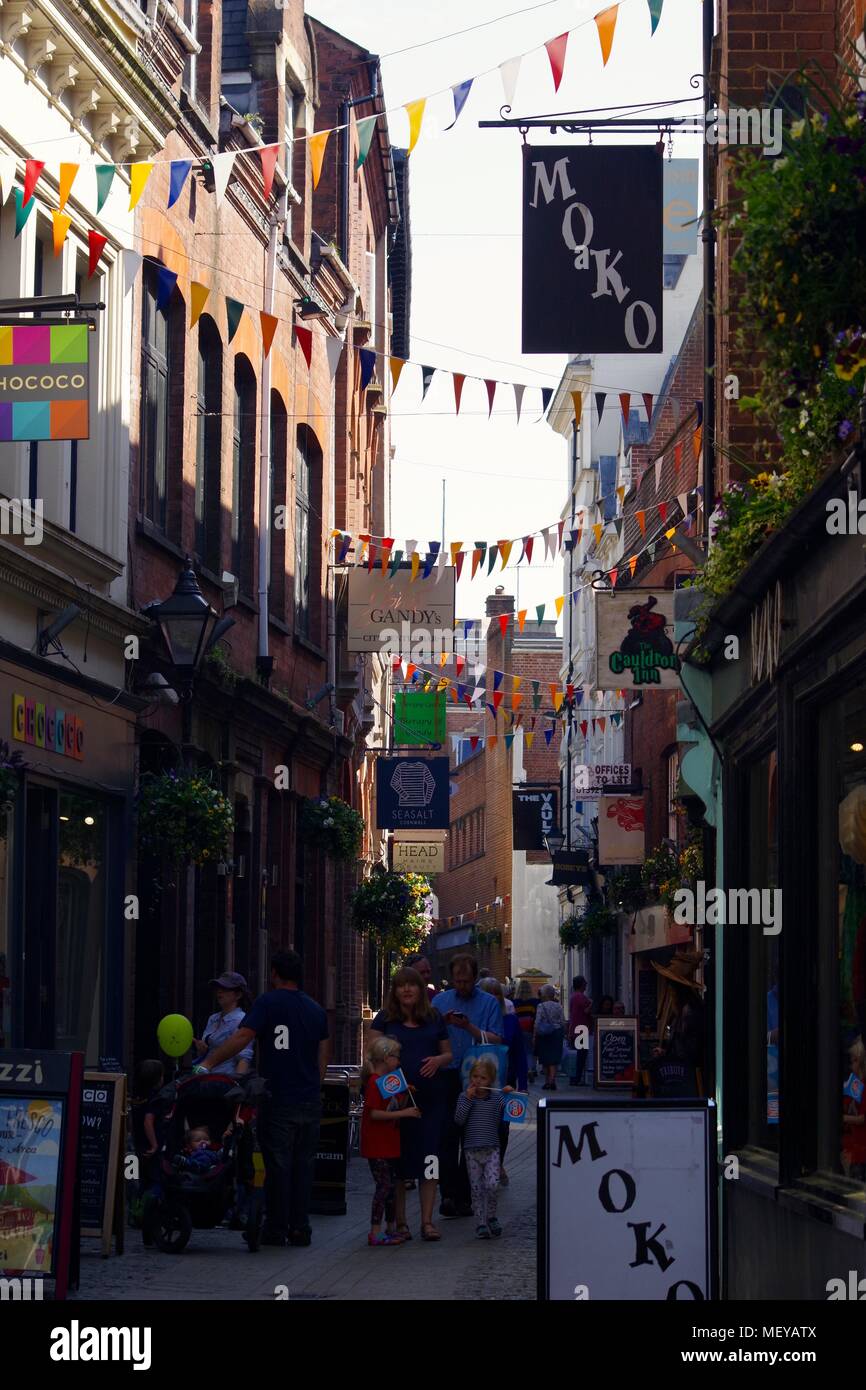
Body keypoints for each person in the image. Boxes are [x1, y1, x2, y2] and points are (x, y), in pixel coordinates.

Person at [197, 950, 329, 1248]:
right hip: (309, 1098)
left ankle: (276, 1227)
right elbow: (323, 1056)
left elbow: (243, 1039)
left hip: (278, 1096)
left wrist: (207, 1062)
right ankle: (301, 1228)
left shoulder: (268, 1003)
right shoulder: (316, 1010)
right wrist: (313, 1085)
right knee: (303, 1165)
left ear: (274, 974)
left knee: (278, 1164)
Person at [367, 967, 451, 1240]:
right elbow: (374, 1057)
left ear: (420, 988)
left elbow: (448, 1053)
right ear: (395, 991)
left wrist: (438, 1061)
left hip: (431, 1100)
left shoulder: (434, 1018)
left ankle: (427, 1221)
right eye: (401, 985)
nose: (406, 990)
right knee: (399, 1163)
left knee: (430, 1159)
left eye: (411, 985)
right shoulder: (385, 1019)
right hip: (396, 1103)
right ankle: (401, 1222)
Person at [432, 953, 503, 1219]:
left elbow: (496, 1038)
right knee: (447, 1136)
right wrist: (443, 1024)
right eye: (457, 981)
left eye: (466, 981)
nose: (461, 986)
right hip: (448, 1076)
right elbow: (431, 1035)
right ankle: (449, 1194)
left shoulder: (488, 1003)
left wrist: (468, 1027)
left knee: (472, 1138)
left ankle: (465, 1196)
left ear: (475, 979)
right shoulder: (440, 1001)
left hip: (478, 1077)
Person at [360, 1037, 422, 1246]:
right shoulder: (374, 1082)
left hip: (390, 1143)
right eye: (396, 1057)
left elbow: (392, 1106)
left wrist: (404, 1095)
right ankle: (375, 1231)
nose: (399, 1062)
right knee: (384, 1187)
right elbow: (375, 1114)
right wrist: (405, 1113)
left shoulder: (387, 1082)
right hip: (378, 1144)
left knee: (390, 1188)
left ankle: (390, 1227)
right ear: (386, 1058)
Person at [455, 1056, 509, 1239]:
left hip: (491, 1148)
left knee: (492, 1184)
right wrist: (468, 1100)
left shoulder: (496, 1098)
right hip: (472, 1150)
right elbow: (459, 1120)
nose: (477, 1081)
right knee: (477, 1188)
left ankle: (491, 1216)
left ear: (491, 1081)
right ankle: (481, 1222)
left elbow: (509, 1109)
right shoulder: (464, 1097)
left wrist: (509, 1093)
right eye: (475, 1076)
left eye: (483, 1078)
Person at [479, 977, 526, 1185]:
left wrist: (523, 1085)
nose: (491, 998)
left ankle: (498, 1163)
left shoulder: (510, 1020)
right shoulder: (476, 1020)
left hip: (506, 1080)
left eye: (495, 994)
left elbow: (519, 1054)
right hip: (478, 1082)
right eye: (487, 994)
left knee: (503, 1127)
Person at [652, 950, 706, 1073]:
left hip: (686, 1074)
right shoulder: (682, 1010)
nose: (669, 989)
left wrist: (668, 1057)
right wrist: (665, 1053)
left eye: (671, 985)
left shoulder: (690, 1011)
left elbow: (689, 1050)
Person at [193, 972, 254, 1076]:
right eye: (218, 988)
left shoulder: (242, 1020)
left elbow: (244, 1058)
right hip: (204, 1075)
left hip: (225, 1079)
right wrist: (202, 1048)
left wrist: (237, 1084)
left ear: (238, 995)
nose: (219, 992)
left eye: (225, 989)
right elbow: (210, 1050)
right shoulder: (213, 1018)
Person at [534, 984, 566, 1090]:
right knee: (554, 1058)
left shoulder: (541, 1006)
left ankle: (548, 1081)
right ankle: (552, 1080)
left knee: (546, 1059)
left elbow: (537, 1022)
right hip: (556, 1033)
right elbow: (562, 1021)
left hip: (544, 1034)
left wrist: (535, 1036)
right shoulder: (559, 1006)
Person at [567, 976, 593, 1087]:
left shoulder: (573, 997)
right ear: (581, 984)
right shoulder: (581, 997)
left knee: (578, 1055)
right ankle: (577, 1079)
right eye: (585, 983)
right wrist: (592, 1003)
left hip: (576, 1028)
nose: (586, 985)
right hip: (581, 1029)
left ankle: (575, 1078)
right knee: (581, 1056)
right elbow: (586, 1011)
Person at [514, 979, 539, 1081]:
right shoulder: (534, 1002)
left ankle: (522, 1070)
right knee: (530, 1051)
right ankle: (530, 1069)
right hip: (530, 1029)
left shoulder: (515, 1002)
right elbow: (536, 1016)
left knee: (520, 1051)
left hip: (518, 1029)